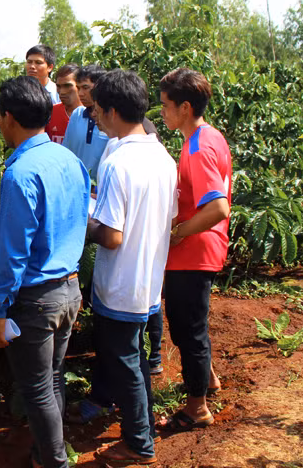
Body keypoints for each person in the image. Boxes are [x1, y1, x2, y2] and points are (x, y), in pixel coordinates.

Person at [0, 76, 88, 468]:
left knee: (38, 388)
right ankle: (47, 454)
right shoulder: (69, 159)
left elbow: (12, 252)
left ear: (8, 118)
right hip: (69, 289)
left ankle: (55, 461)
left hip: (36, 299)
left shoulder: (20, 173)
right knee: (54, 376)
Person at [86, 70, 177, 465]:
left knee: (125, 361)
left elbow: (111, 235)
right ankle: (143, 425)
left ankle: (140, 443)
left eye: (97, 111)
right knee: (133, 357)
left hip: (120, 281)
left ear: (110, 111)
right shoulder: (162, 155)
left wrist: (79, 220)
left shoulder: (117, 161)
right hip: (148, 279)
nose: (97, 119)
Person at [157, 67, 231, 432]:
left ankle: (196, 407)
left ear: (185, 107)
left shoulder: (199, 147)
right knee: (191, 325)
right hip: (198, 250)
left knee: (188, 330)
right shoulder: (208, 136)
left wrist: (179, 233)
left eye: (166, 106)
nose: (162, 113)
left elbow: (218, 207)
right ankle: (208, 379)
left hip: (194, 252)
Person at [62, 65, 110, 183]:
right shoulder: (77, 115)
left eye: (85, 88)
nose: (81, 93)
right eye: (78, 88)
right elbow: (67, 151)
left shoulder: (111, 118)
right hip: (76, 183)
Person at [45, 64, 81, 144]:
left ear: (79, 85)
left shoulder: (93, 115)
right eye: (59, 86)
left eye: (67, 86)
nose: (62, 92)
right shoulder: (50, 113)